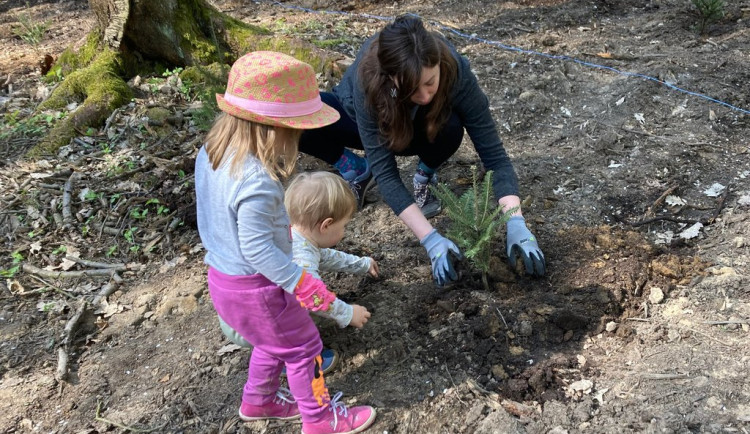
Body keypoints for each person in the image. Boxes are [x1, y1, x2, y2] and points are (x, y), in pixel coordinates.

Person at [194, 51, 377, 434]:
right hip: (258, 287)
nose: (299, 138)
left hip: (223, 278)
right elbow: (258, 249)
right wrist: (298, 282)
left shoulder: (211, 154)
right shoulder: (257, 181)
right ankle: (320, 420)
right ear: (276, 128)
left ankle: (258, 401)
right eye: (297, 130)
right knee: (304, 349)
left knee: (272, 342)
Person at [299, 15, 546, 284]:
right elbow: (387, 175)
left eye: (430, 82)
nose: (426, 95)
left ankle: (425, 173)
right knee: (300, 112)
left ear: (438, 64)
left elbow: (494, 155)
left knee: (451, 127)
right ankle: (355, 168)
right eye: (413, 89)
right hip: (367, 125)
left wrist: (515, 221)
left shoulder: (456, 72)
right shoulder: (369, 80)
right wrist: (430, 239)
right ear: (391, 78)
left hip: (426, 130)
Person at [285, 171, 379, 328]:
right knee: (301, 317)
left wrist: (362, 264)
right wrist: (347, 313)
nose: (345, 230)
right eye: (344, 226)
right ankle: (302, 351)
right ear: (326, 225)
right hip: (256, 316)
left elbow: (326, 256)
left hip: (239, 306)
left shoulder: (296, 236)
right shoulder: (302, 257)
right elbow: (312, 295)